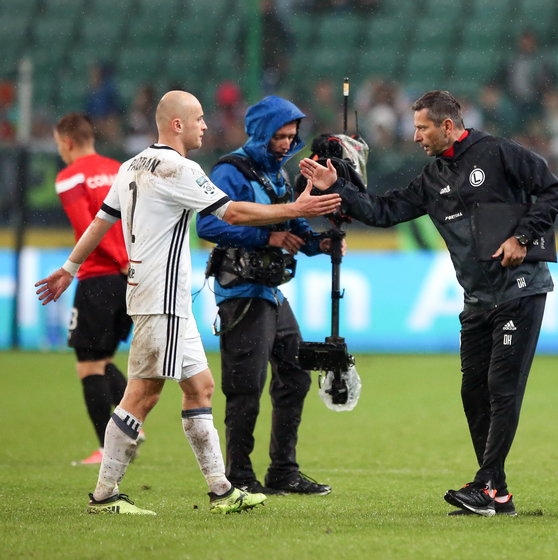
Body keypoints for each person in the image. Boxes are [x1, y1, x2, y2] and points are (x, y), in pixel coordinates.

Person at [35, 90, 342, 515]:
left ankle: (222, 490)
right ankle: (104, 496)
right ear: (176, 124)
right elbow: (229, 214)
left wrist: (69, 267)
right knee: (141, 396)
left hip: (163, 298)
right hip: (160, 299)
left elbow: (100, 222)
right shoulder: (179, 168)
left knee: (201, 388)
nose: (205, 125)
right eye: (198, 118)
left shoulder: (129, 166)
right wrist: (297, 207)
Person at [300, 90, 558, 517]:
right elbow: (384, 211)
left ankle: (487, 485)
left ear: (447, 125)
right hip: (477, 298)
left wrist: (522, 237)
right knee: (472, 392)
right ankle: (496, 491)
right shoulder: (432, 179)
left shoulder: (499, 153)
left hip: (520, 289)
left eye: (422, 127)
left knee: (502, 388)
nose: (416, 136)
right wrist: (338, 188)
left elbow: (555, 193)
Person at [196, 95, 336, 496]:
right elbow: (208, 224)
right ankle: (238, 476)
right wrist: (266, 235)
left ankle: (282, 471)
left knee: (294, 377)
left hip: (270, 292)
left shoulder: (278, 175)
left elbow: (292, 225)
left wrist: (320, 244)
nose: (287, 144)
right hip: (241, 292)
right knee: (246, 387)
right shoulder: (231, 170)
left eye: (292, 137)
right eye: (279, 136)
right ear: (260, 133)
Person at [52, 113, 137, 466]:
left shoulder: (70, 176)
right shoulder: (119, 168)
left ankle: (110, 449)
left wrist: (117, 259)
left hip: (99, 275)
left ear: (67, 142)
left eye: (59, 145)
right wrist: (129, 261)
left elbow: (88, 225)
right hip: (130, 276)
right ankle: (132, 424)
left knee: (88, 366)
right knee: (102, 360)